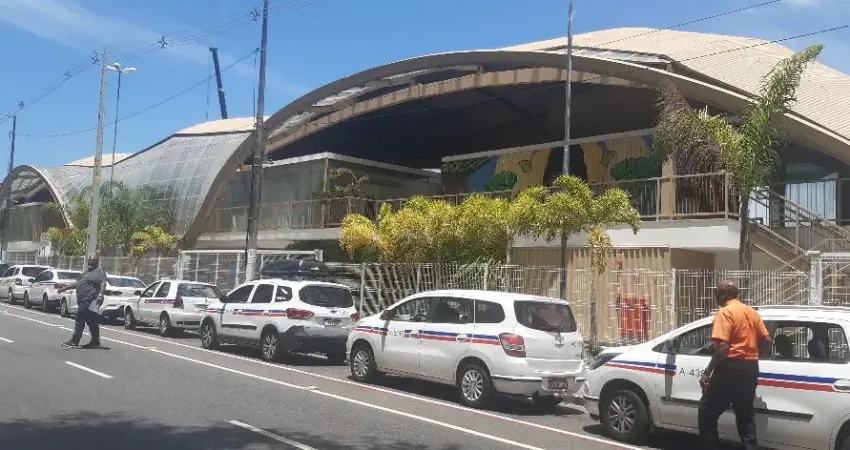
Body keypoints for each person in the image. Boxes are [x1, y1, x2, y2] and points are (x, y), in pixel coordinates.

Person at [698, 282, 771, 450]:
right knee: (745, 414)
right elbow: (766, 340)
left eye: (716, 292)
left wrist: (708, 371)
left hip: (730, 368)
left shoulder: (725, 312)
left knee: (707, 411)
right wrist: (757, 355)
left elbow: (723, 347)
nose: (715, 296)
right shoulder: (751, 312)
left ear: (724, 293)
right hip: (750, 368)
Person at [58, 255, 107, 349]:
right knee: (92, 320)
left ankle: (74, 341)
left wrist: (100, 294)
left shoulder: (100, 272)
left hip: (91, 299)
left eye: (93, 261)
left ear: (97, 262)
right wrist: (65, 288)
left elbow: (103, 284)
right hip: (82, 300)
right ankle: (95, 341)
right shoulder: (86, 272)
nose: (91, 262)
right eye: (89, 261)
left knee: (80, 318)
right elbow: (78, 283)